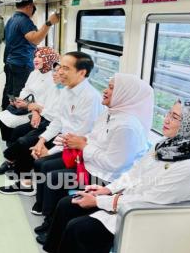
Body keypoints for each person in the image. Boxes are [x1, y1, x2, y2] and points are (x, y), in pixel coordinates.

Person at [43, 98, 190, 253]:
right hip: (128, 200)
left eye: (175, 117)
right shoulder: (164, 144)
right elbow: (135, 173)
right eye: (169, 113)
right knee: (68, 204)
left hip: (145, 217)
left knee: (79, 228)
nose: (167, 119)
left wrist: (98, 201)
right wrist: (106, 190)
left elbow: (149, 201)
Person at [33, 73, 154, 244]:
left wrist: (83, 146)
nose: (105, 91)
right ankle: (51, 222)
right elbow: (94, 136)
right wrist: (82, 140)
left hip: (103, 178)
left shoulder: (127, 127)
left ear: (124, 94)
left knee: (56, 183)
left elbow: (114, 164)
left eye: (112, 88)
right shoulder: (110, 114)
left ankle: (53, 227)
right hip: (89, 167)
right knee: (49, 173)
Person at [0, 51, 104, 195]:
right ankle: (21, 176)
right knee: (25, 139)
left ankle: (23, 177)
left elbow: (77, 134)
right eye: (58, 68)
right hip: (55, 129)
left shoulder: (90, 98)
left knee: (28, 145)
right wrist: (42, 140)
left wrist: (48, 151)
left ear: (81, 73)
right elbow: (59, 120)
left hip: (75, 145)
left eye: (65, 68)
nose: (59, 72)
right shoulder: (67, 90)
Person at [2, 0, 60, 110]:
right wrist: (49, 23)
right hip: (21, 63)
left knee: (9, 91)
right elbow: (35, 39)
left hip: (10, 61)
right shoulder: (24, 21)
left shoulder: (11, 19)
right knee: (19, 94)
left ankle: (6, 113)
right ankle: (14, 117)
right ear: (29, 6)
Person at [0, 47, 60, 144]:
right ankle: (9, 143)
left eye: (40, 57)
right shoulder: (34, 73)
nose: (35, 59)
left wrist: (32, 109)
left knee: (15, 127)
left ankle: (12, 145)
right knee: (0, 116)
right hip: (28, 105)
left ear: (49, 59)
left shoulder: (53, 78)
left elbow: (45, 104)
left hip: (40, 112)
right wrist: (19, 99)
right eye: (35, 56)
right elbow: (25, 90)